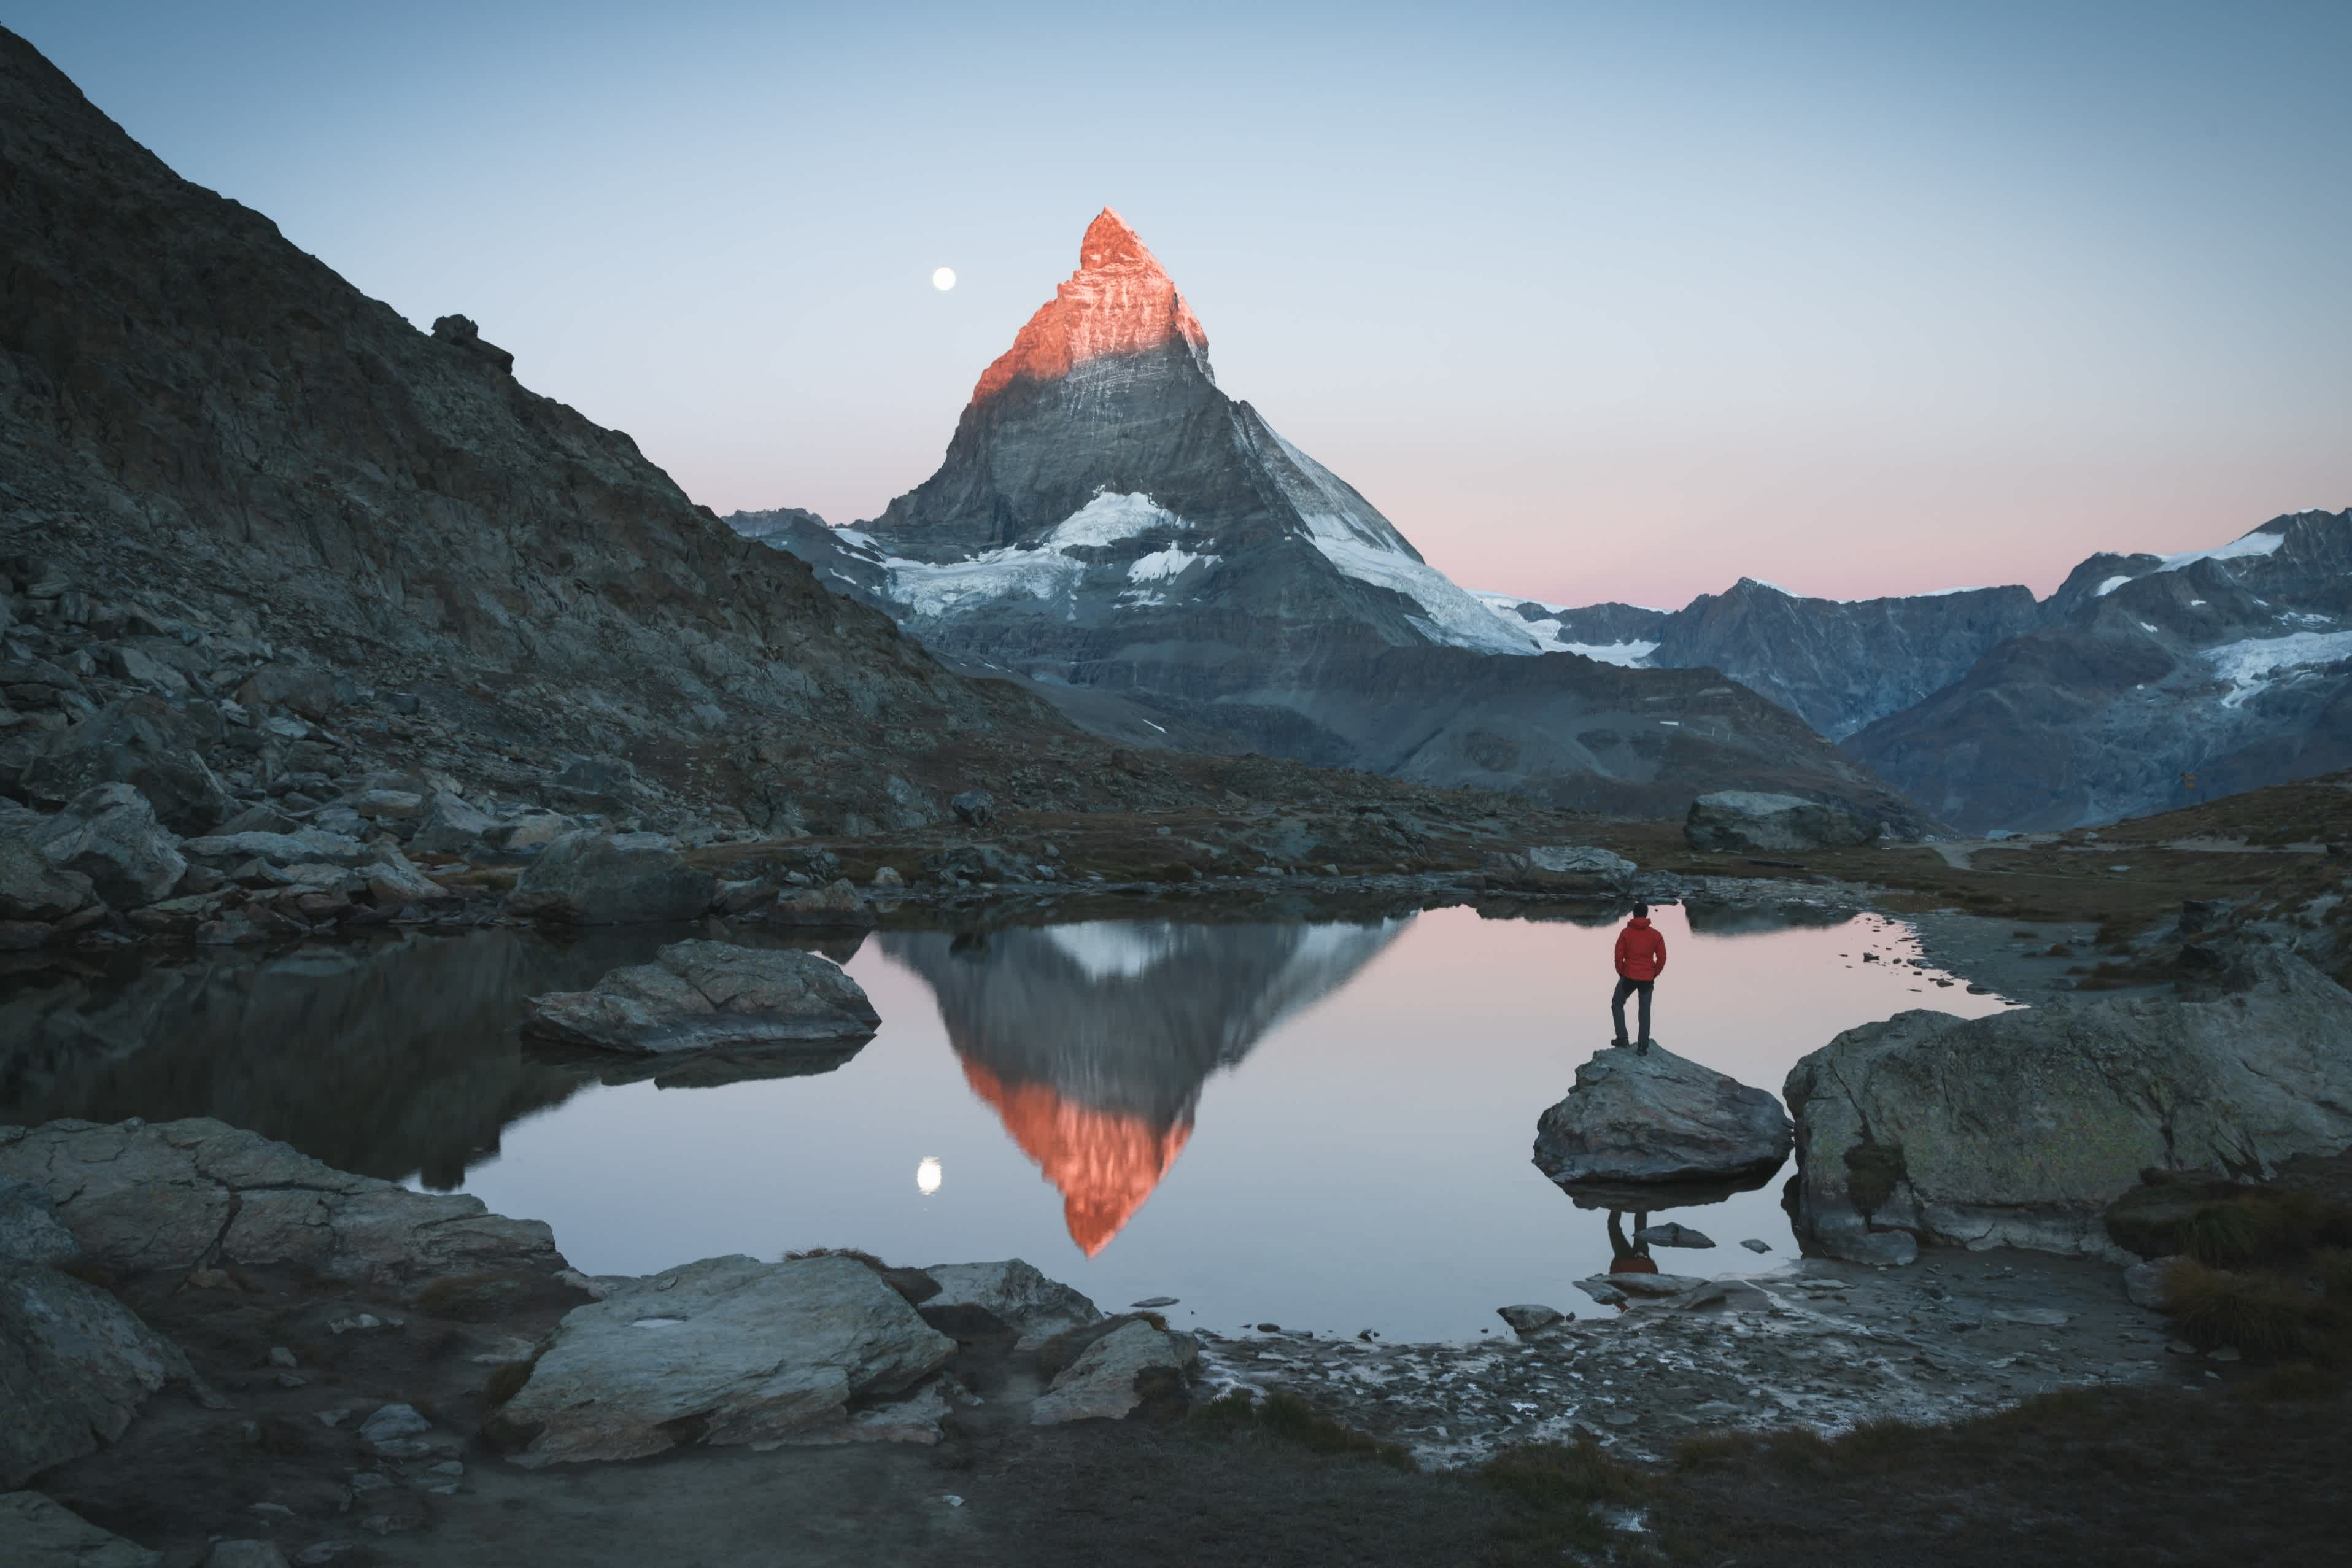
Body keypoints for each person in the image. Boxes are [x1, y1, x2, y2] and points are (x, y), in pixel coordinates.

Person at [1611, 902, 1666, 1052]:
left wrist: (1621, 972)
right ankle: (1642, 1046)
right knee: (1645, 1011)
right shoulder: (1655, 935)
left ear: (1634, 914)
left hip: (1628, 976)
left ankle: (1622, 1039)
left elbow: (1618, 955)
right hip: (1647, 978)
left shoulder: (1626, 933)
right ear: (1646, 914)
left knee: (1617, 1004)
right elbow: (1662, 958)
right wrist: (1654, 972)